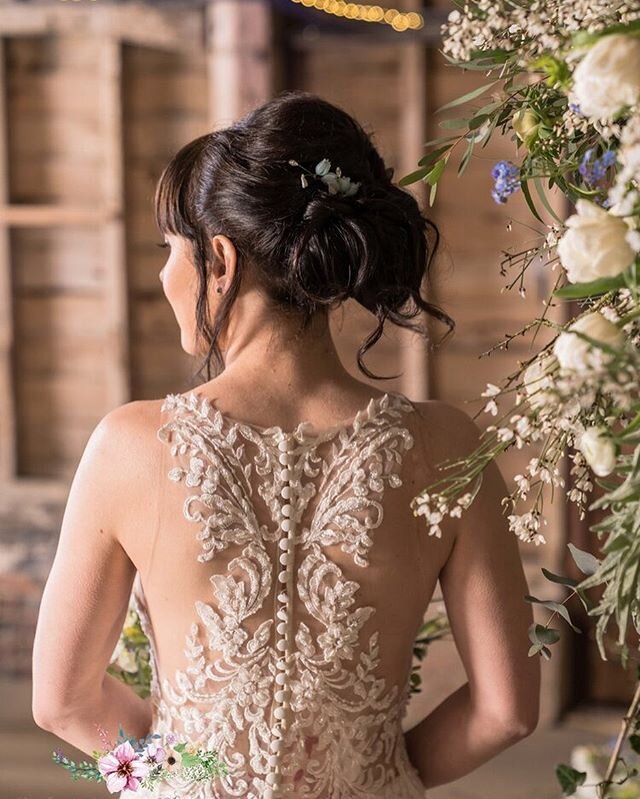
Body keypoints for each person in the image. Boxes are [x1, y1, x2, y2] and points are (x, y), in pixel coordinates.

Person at [31, 90, 540, 798]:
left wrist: (177, 778)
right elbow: (507, 711)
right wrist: (377, 778)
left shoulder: (129, 445)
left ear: (218, 260)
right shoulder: (446, 445)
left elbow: (62, 702)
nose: (161, 276)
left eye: (168, 251)